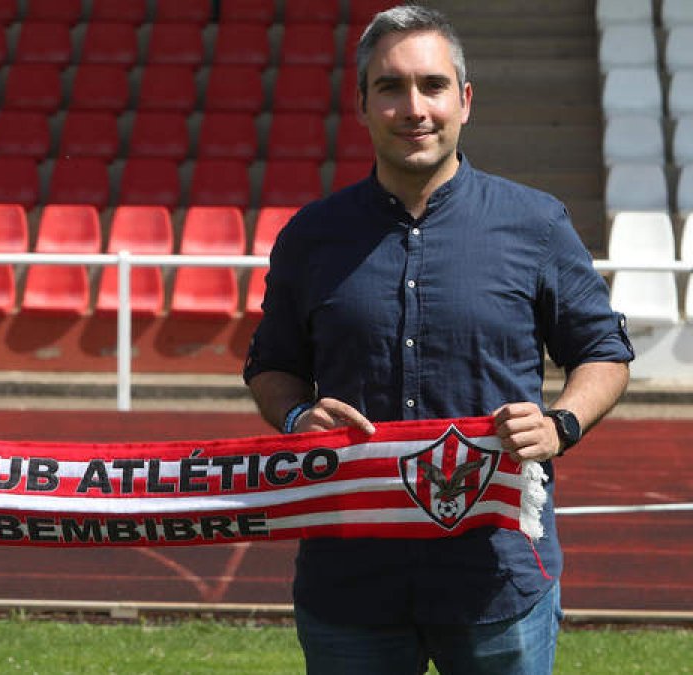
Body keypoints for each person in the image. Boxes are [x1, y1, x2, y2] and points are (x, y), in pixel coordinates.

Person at [244, 6, 632, 674]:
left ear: (465, 100)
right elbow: (272, 365)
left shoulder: (536, 224)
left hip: (497, 578)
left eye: (432, 85)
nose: (413, 107)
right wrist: (297, 414)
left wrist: (561, 422)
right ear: (362, 105)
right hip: (350, 580)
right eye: (390, 88)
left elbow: (603, 349)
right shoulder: (311, 236)